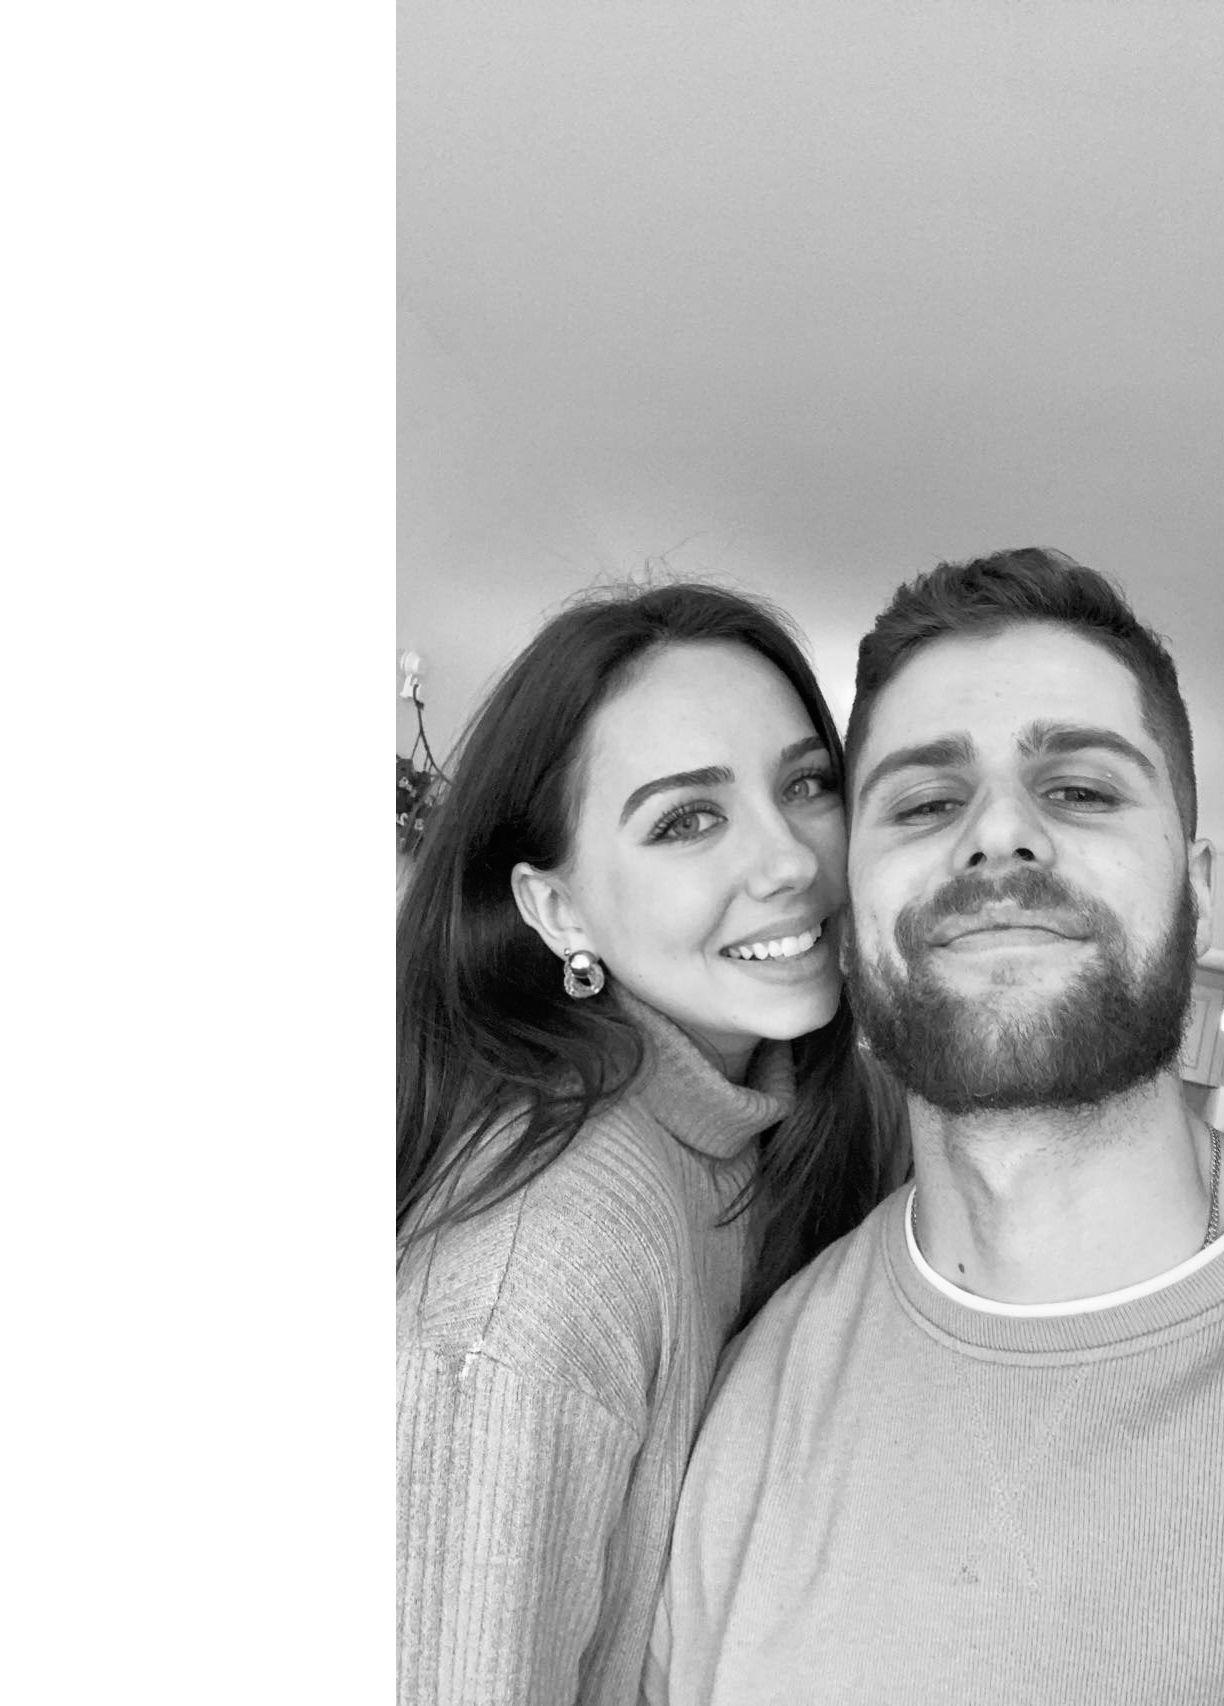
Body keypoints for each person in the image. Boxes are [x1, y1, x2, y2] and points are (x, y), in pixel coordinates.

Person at [648, 548, 1224, 1704]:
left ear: (1197, 888)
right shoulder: (754, 1401)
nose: (998, 834)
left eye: (1080, 789)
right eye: (923, 803)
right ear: (848, 915)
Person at [396, 581, 902, 1706]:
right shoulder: (541, 1267)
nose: (790, 861)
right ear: (556, 910)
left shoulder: (775, 1120)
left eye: (806, 784)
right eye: (686, 820)